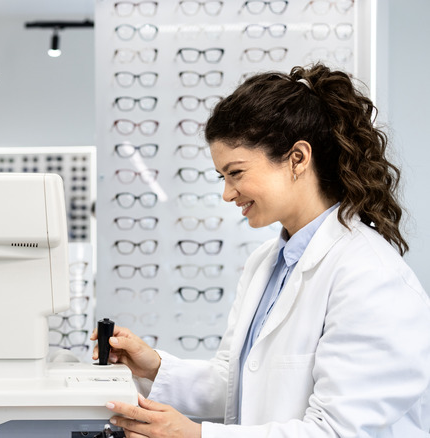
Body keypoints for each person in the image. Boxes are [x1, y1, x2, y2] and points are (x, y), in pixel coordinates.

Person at [95, 64, 430, 437]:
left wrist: (195, 435)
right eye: (223, 177)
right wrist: (154, 366)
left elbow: (338, 432)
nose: (227, 193)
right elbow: (238, 384)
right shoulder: (267, 265)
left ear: (298, 159)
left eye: (236, 173)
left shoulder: (370, 275)